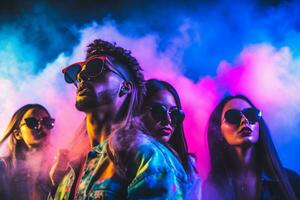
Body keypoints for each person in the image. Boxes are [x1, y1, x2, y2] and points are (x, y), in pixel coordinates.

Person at [52, 39, 188, 199]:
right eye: (79, 72)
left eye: (95, 67)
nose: (81, 76)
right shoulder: (70, 169)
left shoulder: (148, 157)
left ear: (125, 86)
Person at [202, 95, 300, 200]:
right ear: (219, 130)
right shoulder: (211, 188)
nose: (244, 121)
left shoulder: (291, 181)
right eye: (233, 116)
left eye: (251, 114)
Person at [141, 79, 201, 199]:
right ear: (138, 111)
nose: (168, 120)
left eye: (174, 114)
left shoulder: (188, 166)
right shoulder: (121, 156)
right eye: (159, 111)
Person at [0, 104, 55, 200]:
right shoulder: (3, 168)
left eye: (47, 122)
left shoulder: (58, 167)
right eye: (32, 122)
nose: (41, 127)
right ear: (17, 134)